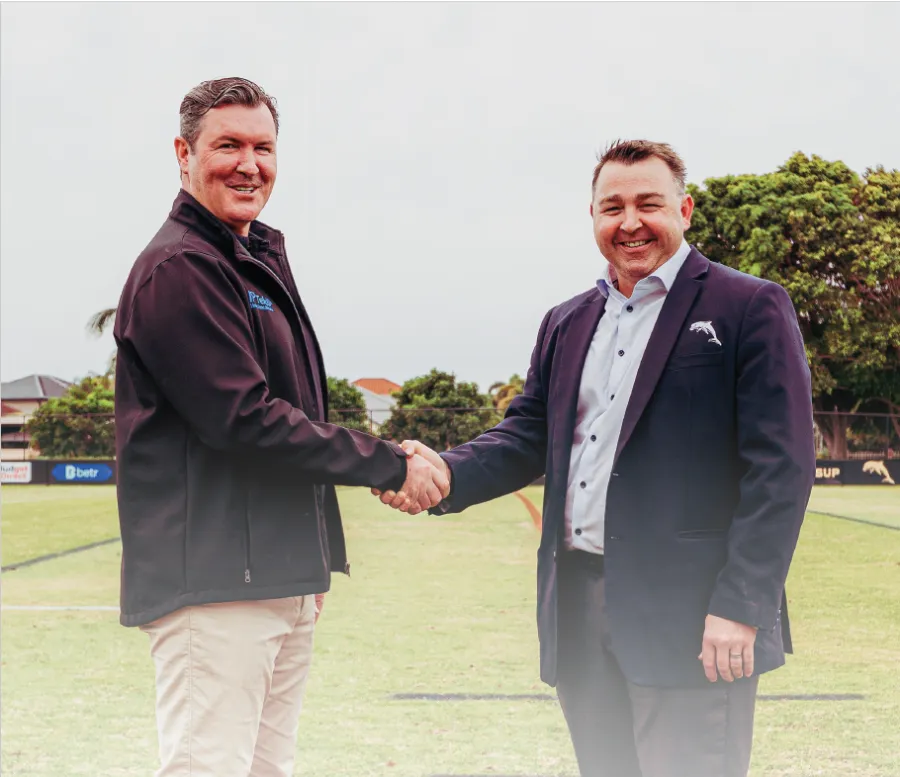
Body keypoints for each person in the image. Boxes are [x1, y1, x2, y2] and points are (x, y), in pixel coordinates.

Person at [377, 140, 816, 777]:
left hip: (694, 613)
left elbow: (781, 469)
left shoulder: (748, 306)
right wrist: (446, 472)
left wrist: (741, 605)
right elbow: (527, 435)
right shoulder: (566, 321)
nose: (630, 222)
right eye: (613, 207)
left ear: (685, 209)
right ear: (592, 217)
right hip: (579, 611)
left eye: (648, 204)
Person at [113, 77, 448, 777]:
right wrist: (392, 463)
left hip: (274, 577)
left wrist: (308, 557)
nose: (249, 165)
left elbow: (298, 411)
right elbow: (247, 421)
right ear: (184, 153)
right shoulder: (180, 267)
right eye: (227, 145)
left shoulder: (250, 258)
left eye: (263, 147)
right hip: (214, 585)